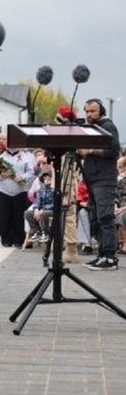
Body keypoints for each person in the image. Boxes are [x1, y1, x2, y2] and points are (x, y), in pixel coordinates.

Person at [77, 98, 120, 270]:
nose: (89, 114)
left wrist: (90, 151)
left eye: (93, 111)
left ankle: (109, 257)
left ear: (101, 111)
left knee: (105, 217)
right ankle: (102, 255)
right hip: (93, 180)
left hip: (104, 180)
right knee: (96, 218)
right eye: (87, 111)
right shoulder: (91, 129)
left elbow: (113, 149)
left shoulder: (107, 126)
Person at [24, 172, 54, 241]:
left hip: (51, 210)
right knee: (27, 213)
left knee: (44, 214)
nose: (47, 180)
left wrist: (43, 209)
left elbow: (55, 203)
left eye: (49, 179)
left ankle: (45, 232)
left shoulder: (54, 190)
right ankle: (37, 231)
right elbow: (37, 201)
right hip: (41, 209)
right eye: (45, 179)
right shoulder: (41, 190)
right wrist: (36, 209)